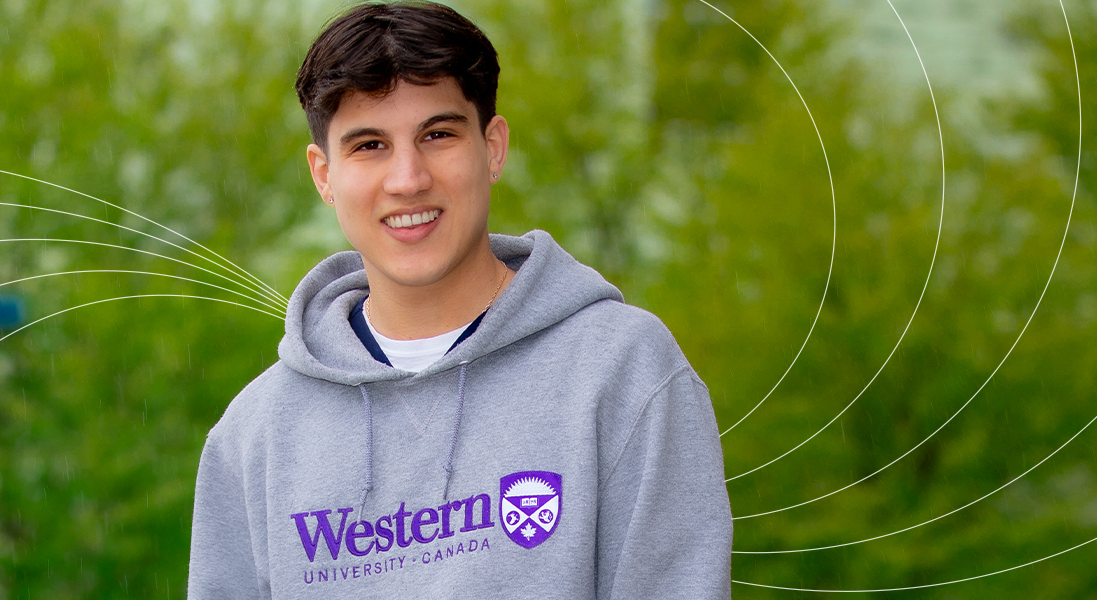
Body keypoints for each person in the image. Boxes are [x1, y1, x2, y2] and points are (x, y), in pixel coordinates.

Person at [187, 2, 731, 598]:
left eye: (437, 134)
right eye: (369, 145)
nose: (408, 178)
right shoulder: (255, 434)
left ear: (492, 148)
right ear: (323, 174)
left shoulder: (620, 369)